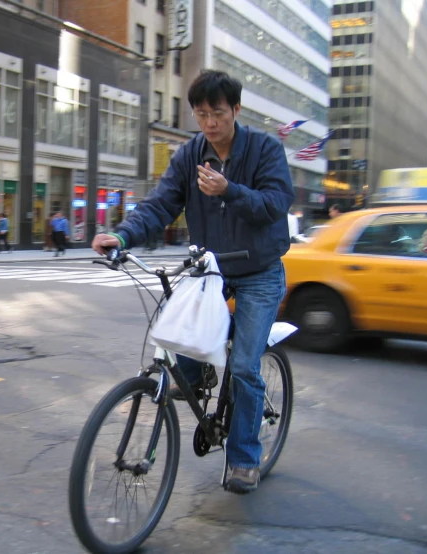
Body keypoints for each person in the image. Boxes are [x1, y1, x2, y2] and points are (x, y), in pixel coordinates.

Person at [91, 70, 294, 495]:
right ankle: (198, 375)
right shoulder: (189, 156)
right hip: (213, 270)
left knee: (242, 367)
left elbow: (276, 205)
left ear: (235, 110)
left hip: (259, 271)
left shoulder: (265, 150)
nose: (209, 123)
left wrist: (229, 190)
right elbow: (160, 204)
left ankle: (243, 459)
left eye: (217, 113)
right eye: (201, 114)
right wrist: (123, 235)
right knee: (180, 334)